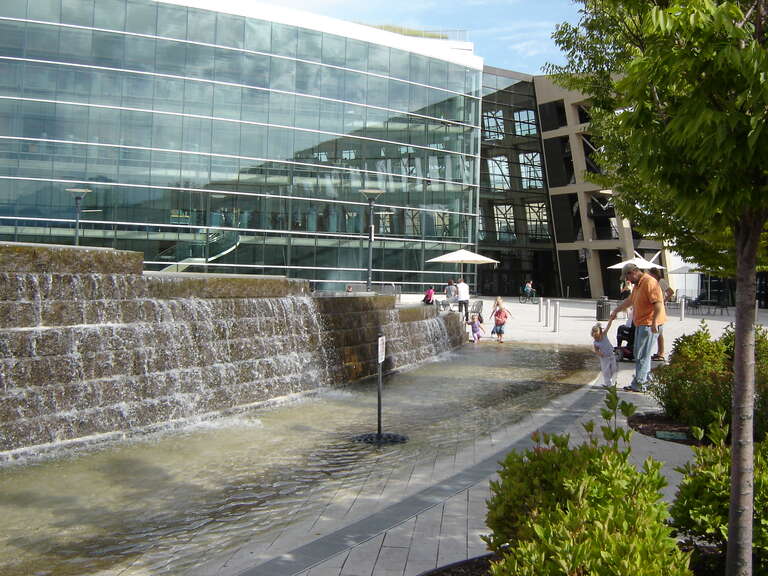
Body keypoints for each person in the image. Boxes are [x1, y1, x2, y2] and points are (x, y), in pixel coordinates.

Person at [608, 263, 667, 392]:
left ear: (634, 272)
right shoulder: (638, 285)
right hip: (642, 324)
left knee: (642, 355)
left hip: (649, 324)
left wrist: (654, 323)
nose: (628, 280)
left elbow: (658, 304)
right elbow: (630, 300)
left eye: (628, 276)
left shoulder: (649, 282)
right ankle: (644, 381)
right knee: (639, 353)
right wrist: (616, 311)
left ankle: (639, 384)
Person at [648, 268, 673, 361]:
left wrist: (663, 301)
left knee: (659, 332)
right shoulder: (653, 282)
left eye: (650, 274)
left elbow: (670, 292)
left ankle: (661, 353)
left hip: (659, 308)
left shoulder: (661, 281)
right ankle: (659, 352)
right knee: (658, 332)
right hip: (654, 307)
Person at [592, 322, 617, 388]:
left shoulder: (604, 335)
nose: (597, 339)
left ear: (600, 333)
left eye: (597, 337)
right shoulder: (596, 343)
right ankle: (608, 383)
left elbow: (608, 326)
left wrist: (611, 320)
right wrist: (599, 353)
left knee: (613, 369)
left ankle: (612, 381)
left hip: (611, 355)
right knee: (606, 371)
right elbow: (596, 350)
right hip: (604, 357)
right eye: (595, 338)